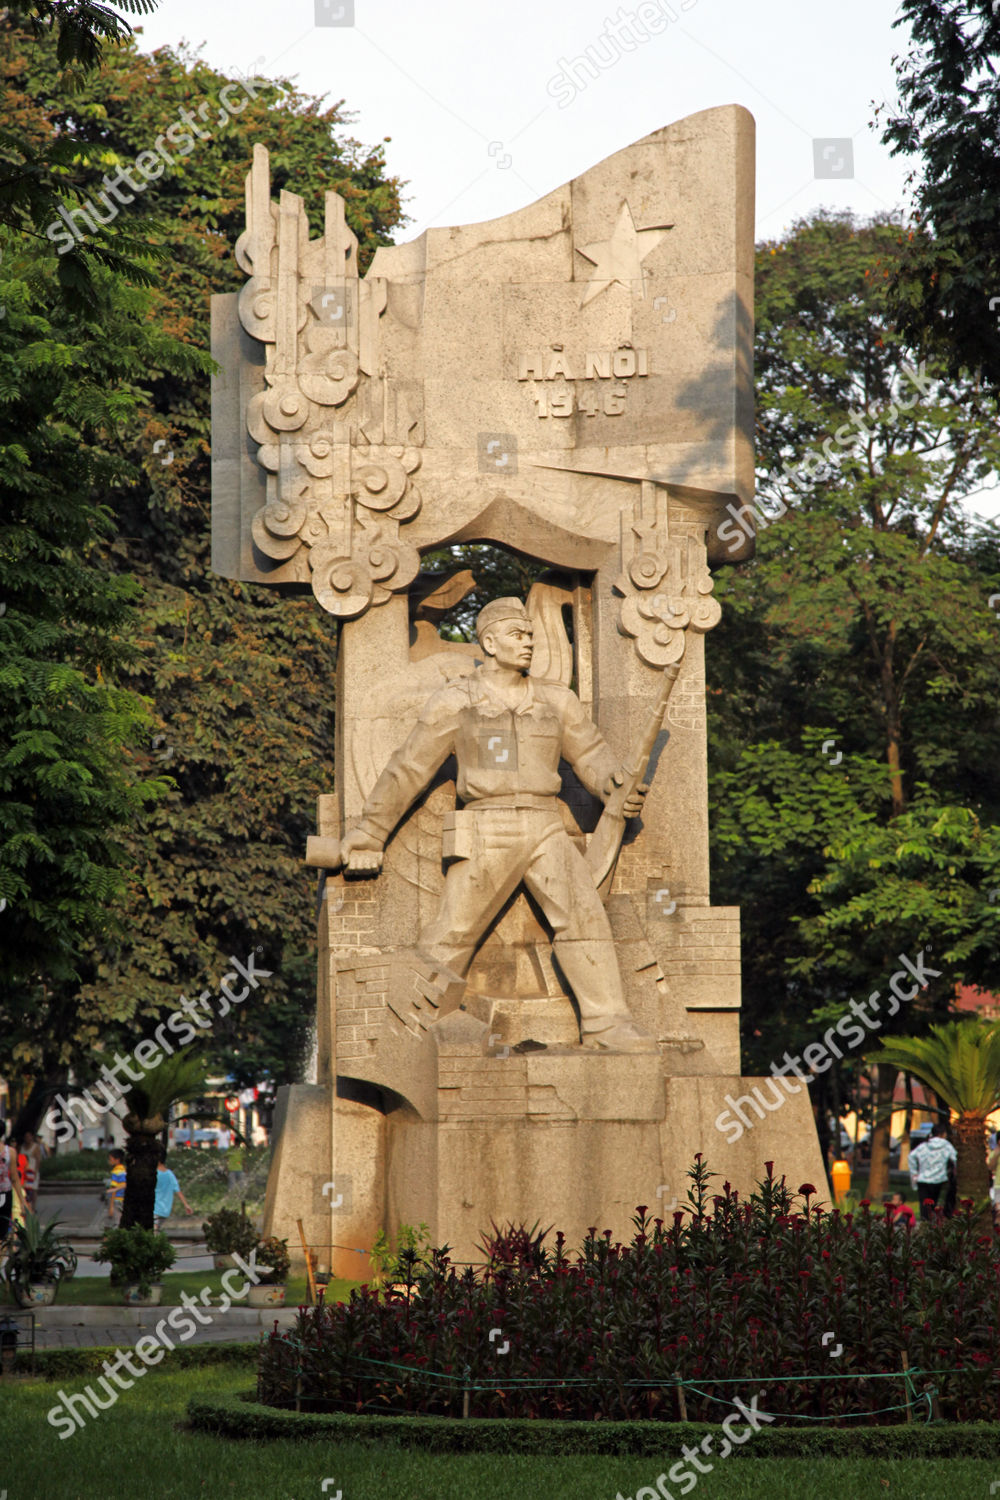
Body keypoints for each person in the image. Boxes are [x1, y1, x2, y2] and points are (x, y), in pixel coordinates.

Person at [338, 596, 655, 1052]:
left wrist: (614, 786)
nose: (528, 643)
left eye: (529, 635)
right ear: (489, 641)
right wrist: (369, 834)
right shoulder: (457, 701)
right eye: (517, 635)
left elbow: (590, 755)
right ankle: (409, 1025)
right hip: (487, 825)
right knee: (454, 930)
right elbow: (408, 769)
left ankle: (609, 1026)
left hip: (547, 825)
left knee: (585, 919)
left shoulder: (555, 700)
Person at [909, 1122, 957, 1220]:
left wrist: (914, 1172)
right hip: (938, 1179)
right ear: (943, 1134)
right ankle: (930, 1225)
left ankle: (924, 1224)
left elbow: (911, 1156)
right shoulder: (946, 1145)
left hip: (923, 1179)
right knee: (933, 1203)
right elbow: (955, 1158)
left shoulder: (924, 1145)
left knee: (924, 1206)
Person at [153, 1152, 193, 1231]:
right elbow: (178, 1191)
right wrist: (186, 1205)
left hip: (155, 1208)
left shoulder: (154, 1173)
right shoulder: (170, 1174)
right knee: (156, 1229)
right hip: (165, 1211)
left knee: (154, 1228)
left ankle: (154, 1241)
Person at [0, 1129, 26, 1241]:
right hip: (5, 1193)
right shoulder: (10, 1152)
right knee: (2, 1229)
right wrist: (22, 1201)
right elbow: (15, 1178)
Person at [21, 1130, 45, 1211]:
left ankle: (33, 1207)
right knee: (25, 1189)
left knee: (33, 1190)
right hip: (23, 1171)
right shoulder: (22, 1147)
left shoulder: (35, 1147)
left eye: (29, 1136)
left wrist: (36, 1171)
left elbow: (38, 1160)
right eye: (26, 1137)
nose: (27, 1138)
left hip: (32, 1170)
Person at [106, 1148, 126, 1225]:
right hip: (122, 1199)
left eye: (110, 1159)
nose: (109, 1161)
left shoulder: (115, 1172)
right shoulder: (124, 1170)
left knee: (117, 1222)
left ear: (117, 1160)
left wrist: (111, 1207)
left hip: (116, 1200)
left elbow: (113, 1189)